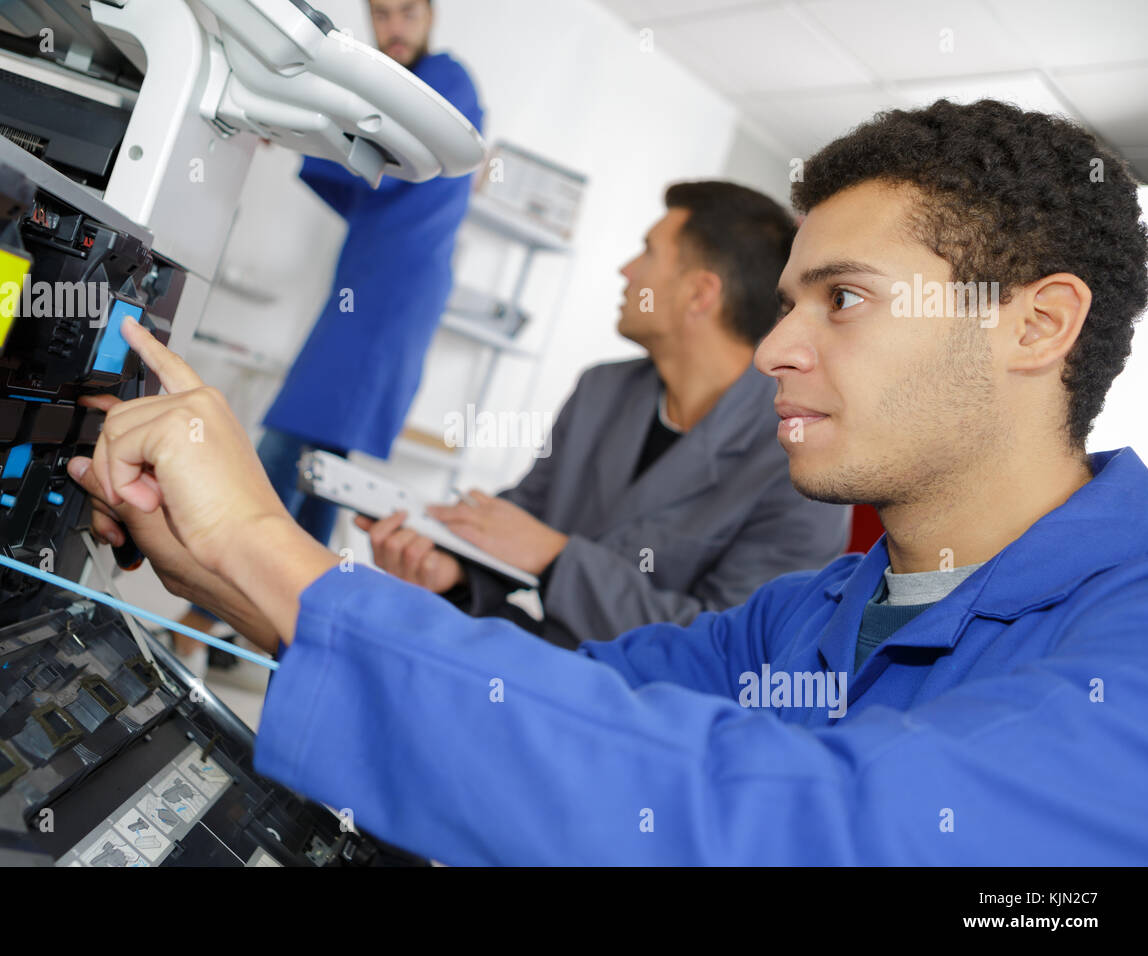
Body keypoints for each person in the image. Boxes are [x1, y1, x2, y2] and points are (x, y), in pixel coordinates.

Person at [68, 98, 1148, 864]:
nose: (773, 350)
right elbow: (564, 705)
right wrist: (212, 563)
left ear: (1036, 324)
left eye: (845, 299)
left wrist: (263, 541)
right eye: (787, 302)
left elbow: (802, 824)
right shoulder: (809, 614)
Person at [356, 182, 849, 647]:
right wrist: (455, 567)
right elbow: (524, 515)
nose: (627, 271)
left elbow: (729, 644)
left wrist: (557, 559)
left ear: (700, 294)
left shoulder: (802, 456)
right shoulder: (603, 389)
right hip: (534, 662)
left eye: (649, 251)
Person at [171, 0, 483, 659]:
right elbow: (355, 186)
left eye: (405, 13)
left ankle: (198, 622)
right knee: (320, 472)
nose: (392, 26)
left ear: (430, 15)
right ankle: (298, 635)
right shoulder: (397, 90)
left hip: (390, 299)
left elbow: (389, 166)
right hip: (368, 289)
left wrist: (301, 122)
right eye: (381, 14)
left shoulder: (445, 80)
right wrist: (294, 135)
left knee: (284, 450)